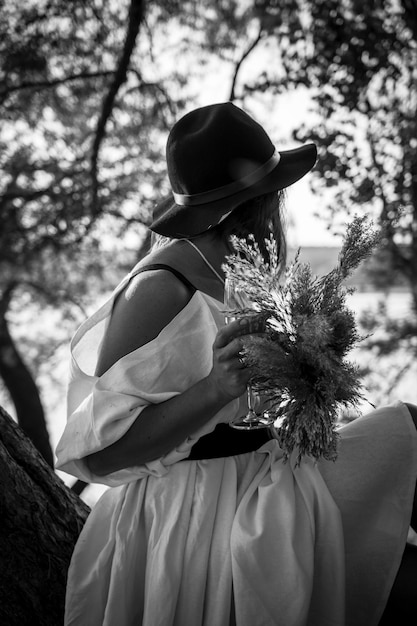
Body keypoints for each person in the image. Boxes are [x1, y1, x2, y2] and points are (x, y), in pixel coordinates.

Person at [56, 102, 417, 626]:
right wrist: (213, 387)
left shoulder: (237, 270)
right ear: (257, 202)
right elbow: (103, 457)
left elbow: (252, 410)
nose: (280, 211)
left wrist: (312, 380)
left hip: (266, 480)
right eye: (275, 196)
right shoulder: (157, 290)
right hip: (196, 517)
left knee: (405, 436)